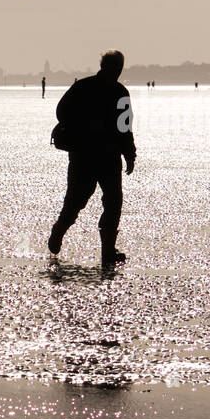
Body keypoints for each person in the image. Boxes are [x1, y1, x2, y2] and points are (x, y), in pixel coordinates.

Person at [46, 50, 135, 268]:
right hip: (95, 155)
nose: (117, 71)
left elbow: (61, 112)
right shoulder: (114, 91)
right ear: (111, 67)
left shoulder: (86, 87)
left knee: (104, 201)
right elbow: (125, 128)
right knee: (88, 201)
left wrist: (129, 154)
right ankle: (62, 233)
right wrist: (129, 153)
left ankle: (104, 249)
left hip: (92, 154)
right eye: (116, 67)